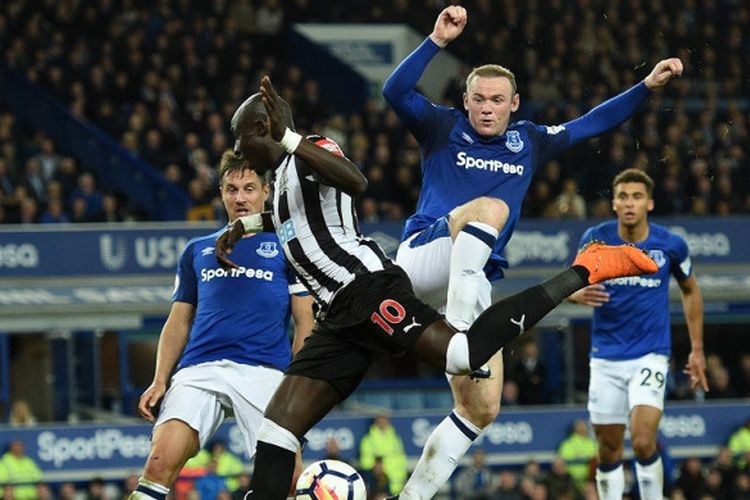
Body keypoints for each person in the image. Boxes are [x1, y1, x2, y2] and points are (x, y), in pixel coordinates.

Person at [215, 75, 658, 499]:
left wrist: (292, 139)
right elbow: (293, 219)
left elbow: (354, 180)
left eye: (241, 137)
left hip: (367, 290)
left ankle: (583, 269)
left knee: (464, 356)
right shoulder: (279, 185)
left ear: (266, 128)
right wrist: (247, 225)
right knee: (276, 429)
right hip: (337, 317)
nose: (238, 149)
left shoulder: (310, 150)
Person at [381, 6, 685, 497]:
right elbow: (393, 92)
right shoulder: (440, 127)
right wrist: (436, 40)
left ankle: (412, 495)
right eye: (477, 98)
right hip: (423, 256)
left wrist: (646, 87)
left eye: (496, 100)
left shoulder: (531, 141)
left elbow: (592, 123)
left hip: (473, 275)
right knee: (489, 208)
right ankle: (462, 329)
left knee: (480, 409)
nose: (485, 107)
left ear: (514, 103)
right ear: (465, 100)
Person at [127, 150, 314, 500]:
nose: (240, 198)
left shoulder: (288, 249)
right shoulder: (197, 250)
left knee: (289, 481)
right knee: (157, 463)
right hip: (200, 367)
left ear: (266, 191)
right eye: (231, 189)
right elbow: (178, 321)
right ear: (221, 193)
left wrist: (298, 386)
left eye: (249, 188)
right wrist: (159, 379)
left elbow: (306, 323)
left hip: (265, 369)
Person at [568, 169, 708, 500]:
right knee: (608, 449)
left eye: (637, 197)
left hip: (650, 354)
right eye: (623, 197)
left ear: (650, 203)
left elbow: (691, 291)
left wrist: (697, 349)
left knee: (644, 439)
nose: (630, 203)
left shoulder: (671, 245)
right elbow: (570, 283)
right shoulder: (595, 238)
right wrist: (576, 295)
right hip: (605, 358)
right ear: (614, 204)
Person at [359, 413, 408, 493]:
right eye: (380, 421)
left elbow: (402, 459)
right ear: (376, 422)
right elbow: (364, 462)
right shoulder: (368, 440)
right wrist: (375, 466)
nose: (383, 423)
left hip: (398, 484)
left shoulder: (395, 439)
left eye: (385, 421)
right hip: (381, 484)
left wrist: (403, 477)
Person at [557, 419, 598, 493]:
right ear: (575, 429)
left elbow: (597, 460)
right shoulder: (567, 444)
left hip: (590, 481)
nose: (582, 429)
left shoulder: (592, 443)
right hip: (571, 482)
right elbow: (561, 463)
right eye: (579, 427)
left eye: (583, 427)